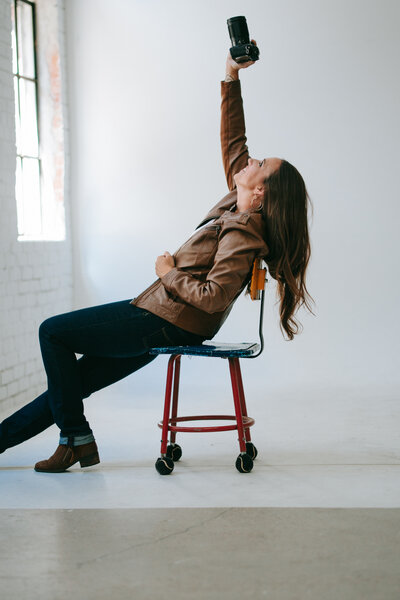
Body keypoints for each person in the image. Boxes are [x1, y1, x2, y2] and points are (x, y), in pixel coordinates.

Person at [0, 44, 314, 472]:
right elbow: (234, 139)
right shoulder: (235, 203)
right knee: (73, 382)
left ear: (260, 191)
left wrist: (167, 273)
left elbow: (214, 296)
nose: (248, 160)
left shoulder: (244, 230)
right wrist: (231, 74)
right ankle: (49, 440)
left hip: (164, 320)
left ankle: (75, 437)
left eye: (258, 163)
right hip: (162, 319)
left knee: (52, 332)